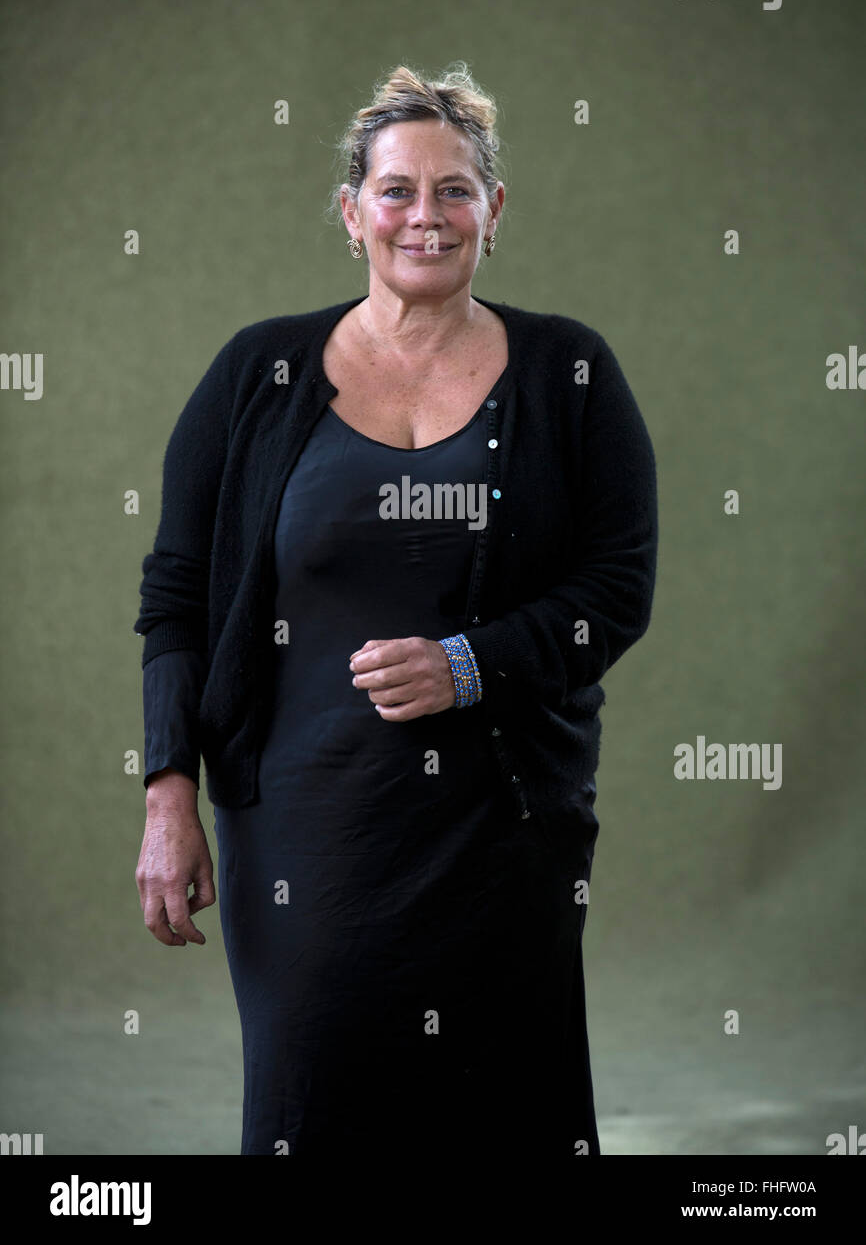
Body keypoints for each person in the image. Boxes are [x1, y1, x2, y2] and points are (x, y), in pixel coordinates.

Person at [133, 61, 658, 1163]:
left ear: (494, 209)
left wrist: (467, 664)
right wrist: (167, 788)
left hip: (505, 833)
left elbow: (616, 588)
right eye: (396, 190)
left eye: (455, 190)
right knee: (311, 1116)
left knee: (506, 1119)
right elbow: (177, 593)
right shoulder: (257, 373)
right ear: (351, 211)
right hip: (304, 834)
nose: (426, 216)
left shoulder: (568, 372)